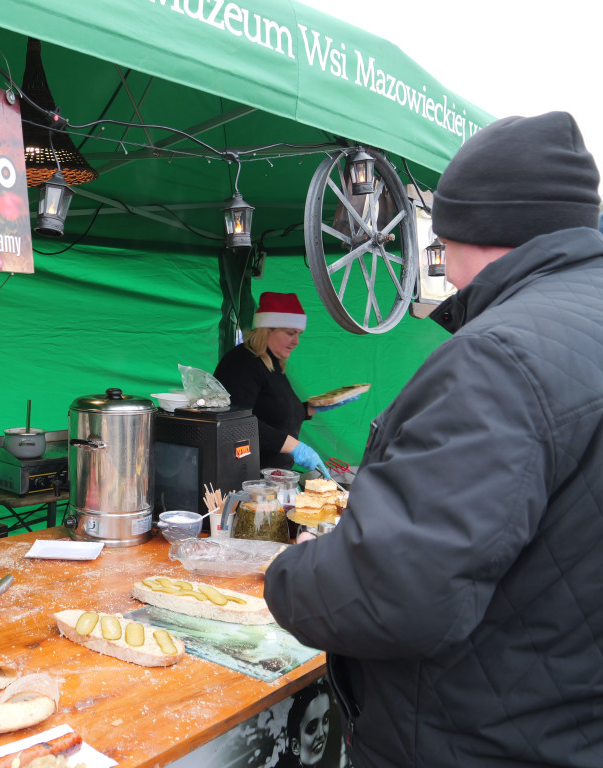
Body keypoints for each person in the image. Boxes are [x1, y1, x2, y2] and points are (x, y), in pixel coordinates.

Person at [263, 110, 603, 768]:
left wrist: (290, 572)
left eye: (444, 246)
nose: (443, 270)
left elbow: (395, 592)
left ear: (481, 230)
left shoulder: (502, 356)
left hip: (472, 738)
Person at [214, 292, 355, 479]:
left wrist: (313, 408)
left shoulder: (272, 363)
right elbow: (236, 422)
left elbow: (275, 413)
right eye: (290, 333)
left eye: (298, 334)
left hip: (275, 477)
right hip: (247, 479)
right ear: (267, 329)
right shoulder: (243, 362)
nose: (296, 341)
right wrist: (294, 446)